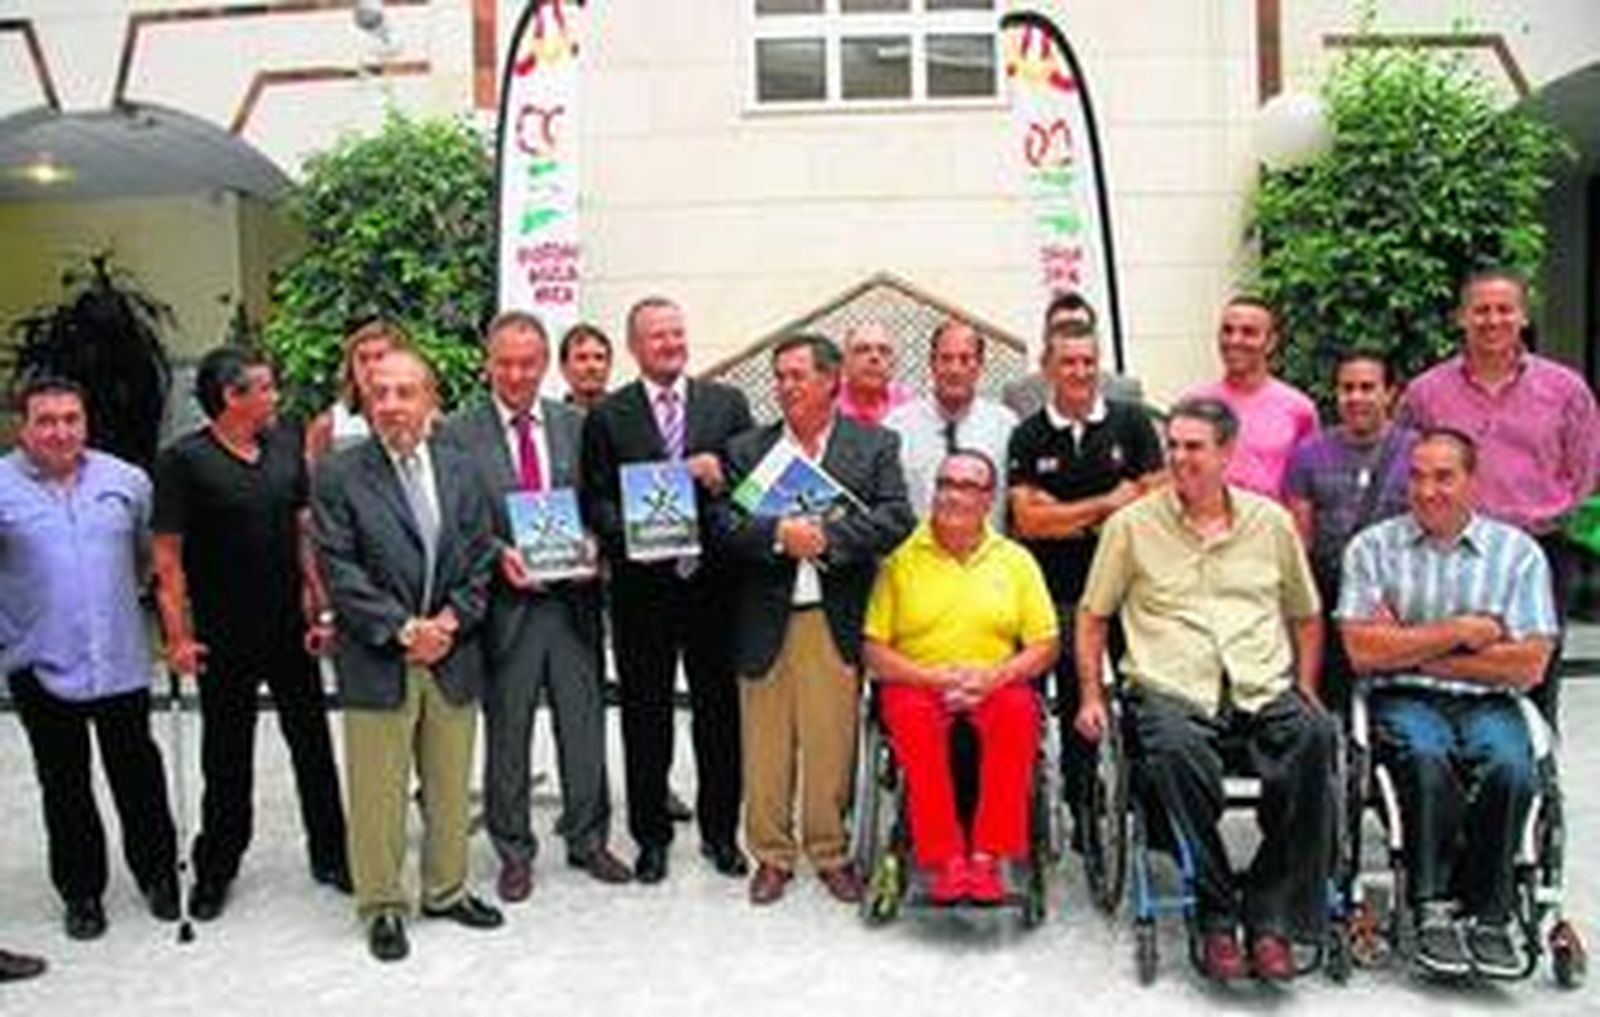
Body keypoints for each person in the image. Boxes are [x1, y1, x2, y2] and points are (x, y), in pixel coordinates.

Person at [1074, 397, 1334, 984]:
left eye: (1195, 447)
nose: (1181, 457)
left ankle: (1269, 912)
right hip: (1171, 686)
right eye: (1174, 446)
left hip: (1259, 682)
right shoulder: (1131, 527)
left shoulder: (1271, 524)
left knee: (1317, 736)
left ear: (1227, 454)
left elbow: (1306, 614)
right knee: (1172, 750)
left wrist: (1307, 686)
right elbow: (1092, 618)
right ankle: (1217, 914)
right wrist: (1092, 695)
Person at [1338, 428, 1557, 979]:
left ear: (1471, 481)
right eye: (1417, 476)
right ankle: (1431, 905)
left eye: (1443, 476)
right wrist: (1465, 631)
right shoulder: (1372, 549)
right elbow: (1362, 651)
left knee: (1512, 768)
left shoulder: (1518, 555)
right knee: (1425, 756)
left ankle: (1489, 914)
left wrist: (1413, 647)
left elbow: (1529, 664)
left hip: (1487, 700)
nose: (1427, 490)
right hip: (1402, 699)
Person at [313, 348, 503, 962]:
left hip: (452, 652)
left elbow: (479, 557)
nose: (391, 405)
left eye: (404, 393)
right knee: (378, 792)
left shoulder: (462, 468)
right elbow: (338, 569)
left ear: (430, 400)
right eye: (380, 393)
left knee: (449, 786)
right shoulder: (339, 475)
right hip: (379, 657)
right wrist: (403, 629)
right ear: (366, 403)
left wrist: (449, 621)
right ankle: (382, 906)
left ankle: (446, 890)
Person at [714, 334, 914, 905]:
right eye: (779, 376)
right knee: (765, 746)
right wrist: (778, 535)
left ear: (831, 381)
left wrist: (826, 536)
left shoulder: (872, 445)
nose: (785, 386)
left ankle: (829, 852)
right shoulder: (748, 450)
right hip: (763, 616)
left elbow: (896, 517)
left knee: (832, 743)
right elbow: (724, 526)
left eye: (797, 375)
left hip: (835, 615)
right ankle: (772, 855)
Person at [152, 347, 348, 921]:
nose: (275, 397)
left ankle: (331, 854)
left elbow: (301, 532)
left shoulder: (285, 447)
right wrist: (177, 636)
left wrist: (319, 606)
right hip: (223, 633)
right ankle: (216, 866)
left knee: (312, 746)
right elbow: (168, 559)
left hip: (287, 625)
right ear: (232, 397)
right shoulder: (183, 461)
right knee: (227, 755)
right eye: (264, 388)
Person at [445, 311, 631, 899]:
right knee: (509, 732)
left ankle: (588, 839)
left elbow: (598, 502)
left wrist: (598, 539)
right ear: (487, 363)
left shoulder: (577, 425)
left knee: (584, 727)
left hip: (573, 604)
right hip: (505, 607)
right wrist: (500, 553)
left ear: (546, 363)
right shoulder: (455, 433)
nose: (517, 374)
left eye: (528, 362)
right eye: (505, 362)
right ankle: (514, 850)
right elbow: (456, 521)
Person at [580, 296, 755, 883]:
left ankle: (721, 835)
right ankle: (650, 838)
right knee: (645, 717)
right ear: (634, 346)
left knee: (719, 717)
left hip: (714, 588)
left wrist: (720, 474)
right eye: (658, 336)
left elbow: (752, 484)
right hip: (643, 591)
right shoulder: (609, 415)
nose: (671, 343)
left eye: (677, 333)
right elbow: (593, 499)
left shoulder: (727, 404)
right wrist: (634, 525)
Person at [1, 378, 179, 939]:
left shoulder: (126, 481)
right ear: (21, 427)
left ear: (86, 422)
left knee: (138, 773)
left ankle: (158, 875)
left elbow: (148, 561)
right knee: (65, 782)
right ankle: (82, 892)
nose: (60, 431)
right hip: (40, 660)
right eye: (46, 421)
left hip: (118, 655)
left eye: (71, 419)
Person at [1398, 268, 1600, 724]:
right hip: (1451, 549)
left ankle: (1538, 779)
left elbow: (1584, 469)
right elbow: (1408, 467)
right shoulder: (1426, 393)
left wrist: (1551, 510)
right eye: (1481, 310)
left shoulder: (1566, 390)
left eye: (1504, 309)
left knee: (1534, 668)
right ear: (1461, 318)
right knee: (1453, 660)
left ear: (1523, 316)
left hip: (1538, 547)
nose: (1493, 320)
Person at [863, 450, 1058, 903]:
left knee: (1019, 715)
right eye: (945, 483)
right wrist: (931, 679)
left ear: (989, 499)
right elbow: (873, 647)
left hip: (995, 680)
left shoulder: (1015, 561)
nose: (952, 495)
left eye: (967, 487)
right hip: (916, 681)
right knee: (912, 722)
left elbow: (1045, 644)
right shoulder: (900, 559)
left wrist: (994, 678)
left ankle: (989, 856)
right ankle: (946, 857)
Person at [1006, 324, 1163, 848]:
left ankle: (1147, 800)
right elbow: (1028, 521)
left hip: (1129, 589)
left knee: (1146, 690)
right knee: (1077, 685)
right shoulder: (1027, 435)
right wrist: (1105, 505)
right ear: (1049, 368)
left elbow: (1152, 502)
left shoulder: (1133, 424)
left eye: (1087, 362)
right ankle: (1083, 803)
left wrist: (1065, 514)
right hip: (1059, 591)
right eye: (1067, 362)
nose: (1078, 372)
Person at [1285, 351, 1417, 713]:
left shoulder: (1416, 452)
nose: (1356, 397)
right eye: (1347, 388)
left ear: (1390, 393)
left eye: (1367, 387)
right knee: (1333, 696)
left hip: (1398, 598)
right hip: (1332, 595)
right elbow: (1301, 538)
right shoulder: (1308, 454)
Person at [883, 318, 1017, 526]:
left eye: (965, 359)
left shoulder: (1006, 426)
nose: (955, 369)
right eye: (946, 359)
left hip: (986, 556)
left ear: (980, 365)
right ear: (932, 364)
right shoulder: (896, 427)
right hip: (915, 554)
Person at [1183, 297, 1318, 501]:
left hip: (1270, 528)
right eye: (1227, 331)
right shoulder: (1193, 405)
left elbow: (1307, 486)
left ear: (1271, 342)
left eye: (1249, 332)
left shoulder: (1298, 409)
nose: (1235, 340)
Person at [1001, 292, 1143, 420]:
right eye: (1061, 329)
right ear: (1046, 337)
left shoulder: (1124, 391)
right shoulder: (1019, 393)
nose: (1071, 337)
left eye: (1080, 329)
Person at [304, 318, 407, 462]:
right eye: (362, 359)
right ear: (351, 367)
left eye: (380, 357)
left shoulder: (421, 420)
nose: (371, 367)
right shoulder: (328, 426)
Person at [835, 322, 913, 426]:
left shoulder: (907, 403)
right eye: (863, 349)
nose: (875, 357)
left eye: (884, 350)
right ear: (845, 362)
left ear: (893, 363)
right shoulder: (828, 404)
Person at [559, 322, 615, 411]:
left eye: (598, 358)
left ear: (609, 366)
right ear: (564, 368)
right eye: (582, 358)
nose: (591, 366)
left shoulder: (629, 418)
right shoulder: (549, 421)